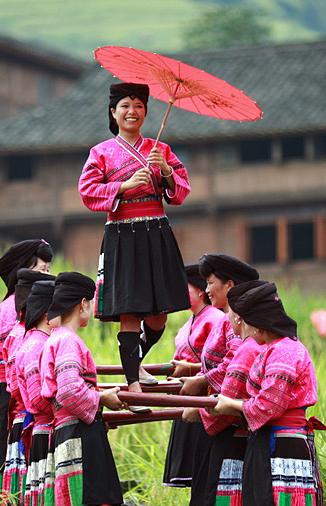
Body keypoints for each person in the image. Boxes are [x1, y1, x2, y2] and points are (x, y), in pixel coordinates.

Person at [78, 82, 191, 396]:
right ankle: (134, 386)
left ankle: (135, 360)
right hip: (123, 234)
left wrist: (165, 169)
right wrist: (125, 185)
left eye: (139, 106)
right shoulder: (100, 153)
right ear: (113, 113)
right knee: (130, 311)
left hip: (157, 232)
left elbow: (181, 191)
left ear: (146, 112)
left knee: (158, 316)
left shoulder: (160, 150)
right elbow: (87, 192)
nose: (132, 112)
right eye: (125, 106)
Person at [210, 282, 324, 506]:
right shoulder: (273, 349)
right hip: (275, 441)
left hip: (282, 442)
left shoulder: (284, 351)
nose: (245, 332)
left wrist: (231, 404)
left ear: (260, 326)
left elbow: (268, 404)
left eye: (247, 325)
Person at [165, 254, 259, 506]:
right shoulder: (226, 316)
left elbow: (236, 365)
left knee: (227, 487)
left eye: (210, 283)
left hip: (230, 416)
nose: (207, 289)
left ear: (229, 285)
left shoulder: (235, 320)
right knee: (218, 486)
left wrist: (201, 381)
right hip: (216, 409)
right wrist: (197, 377)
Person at [40, 271, 128, 506]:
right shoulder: (67, 340)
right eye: (90, 303)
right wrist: (102, 398)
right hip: (78, 432)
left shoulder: (54, 338)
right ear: (82, 305)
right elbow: (68, 391)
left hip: (68, 430)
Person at [0, 239, 53, 490]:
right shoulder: (12, 309)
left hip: (19, 390)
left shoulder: (31, 306)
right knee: (5, 463)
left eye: (48, 271)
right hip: (11, 394)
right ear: (23, 272)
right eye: (42, 271)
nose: (48, 277)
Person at [196, 281, 266, 506]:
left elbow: (229, 398)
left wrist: (201, 412)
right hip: (262, 437)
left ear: (240, 316)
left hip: (236, 437)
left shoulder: (248, 350)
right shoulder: (276, 346)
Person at [160, 264, 223, 488]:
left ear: (199, 290)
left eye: (184, 288)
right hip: (188, 391)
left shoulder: (215, 318)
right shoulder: (188, 323)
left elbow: (217, 361)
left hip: (205, 392)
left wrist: (190, 370)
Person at [2, 268, 54, 506]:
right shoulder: (28, 341)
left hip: (22, 415)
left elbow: (14, 385)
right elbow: (27, 391)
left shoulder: (23, 335)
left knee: (27, 495)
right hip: (31, 419)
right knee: (33, 497)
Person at [16, 279, 58, 506]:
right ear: (46, 312)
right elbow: (37, 400)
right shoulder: (35, 347)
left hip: (46, 428)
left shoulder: (38, 341)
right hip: (46, 430)